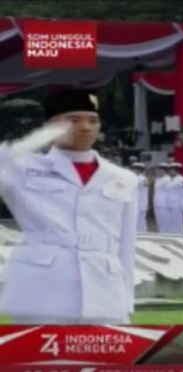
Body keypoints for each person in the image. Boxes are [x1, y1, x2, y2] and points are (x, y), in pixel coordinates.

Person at [0, 89, 138, 324]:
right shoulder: (20, 168)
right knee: (40, 359)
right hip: (42, 287)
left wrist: (125, 300)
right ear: (52, 126)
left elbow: (126, 244)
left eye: (93, 120)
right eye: (74, 120)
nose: (85, 127)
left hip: (103, 285)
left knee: (99, 358)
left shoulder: (123, 178)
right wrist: (37, 139)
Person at [164, 163, 183, 234]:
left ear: (177, 171)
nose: (170, 172)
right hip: (169, 203)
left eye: (172, 170)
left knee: (178, 222)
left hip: (177, 203)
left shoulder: (182, 180)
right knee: (170, 221)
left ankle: (180, 235)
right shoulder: (168, 180)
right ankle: (172, 234)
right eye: (170, 170)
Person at [130, 162, 149, 232]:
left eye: (137, 169)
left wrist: (144, 204)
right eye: (134, 169)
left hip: (140, 201)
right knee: (133, 219)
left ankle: (143, 232)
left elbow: (144, 192)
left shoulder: (143, 179)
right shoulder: (131, 178)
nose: (135, 171)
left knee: (140, 220)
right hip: (133, 201)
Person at [153, 163, 170, 233]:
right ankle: (161, 233)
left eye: (160, 170)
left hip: (165, 202)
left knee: (165, 221)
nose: (158, 171)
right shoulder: (158, 179)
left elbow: (169, 192)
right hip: (157, 201)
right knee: (159, 221)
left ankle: (167, 234)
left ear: (164, 170)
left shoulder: (168, 179)